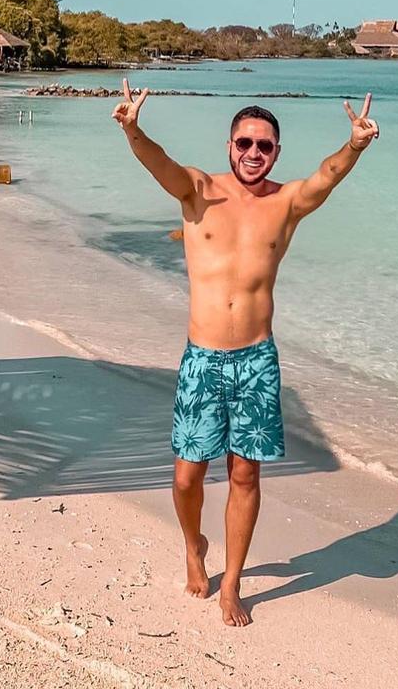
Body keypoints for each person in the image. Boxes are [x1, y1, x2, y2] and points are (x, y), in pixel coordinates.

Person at [112, 79, 379, 626]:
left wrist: (355, 145)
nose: (253, 153)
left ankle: (231, 582)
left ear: (276, 152)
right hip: (202, 359)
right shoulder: (198, 190)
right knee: (186, 478)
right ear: (229, 146)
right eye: (244, 143)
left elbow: (326, 176)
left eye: (264, 145)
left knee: (245, 477)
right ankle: (194, 545)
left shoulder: (286, 203)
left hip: (256, 361)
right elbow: (159, 163)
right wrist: (133, 130)